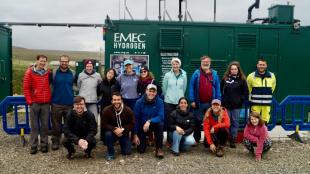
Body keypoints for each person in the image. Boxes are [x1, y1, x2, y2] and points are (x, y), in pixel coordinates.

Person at [189, 55, 221, 144]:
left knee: (210, 121)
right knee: (197, 122)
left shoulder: (214, 74)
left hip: (211, 104)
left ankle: (208, 140)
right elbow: (191, 87)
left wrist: (218, 100)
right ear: (201, 63)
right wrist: (192, 100)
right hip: (199, 103)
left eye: (207, 62)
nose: (206, 63)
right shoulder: (196, 73)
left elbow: (218, 87)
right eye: (204, 62)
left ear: (210, 63)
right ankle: (196, 139)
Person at [23, 54, 51, 154]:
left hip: (45, 103)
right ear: (37, 61)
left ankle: (44, 145)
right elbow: (26, 88)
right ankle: (33, 146)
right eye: (41, 61)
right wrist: (30, 101)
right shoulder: (29, 72)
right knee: (34, 126)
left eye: (44, 61)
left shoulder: (48, 72)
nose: (42, 63)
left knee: (45, 126)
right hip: (35, 103)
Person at [220, 61, 249, 148]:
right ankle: (225, 139)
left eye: (235, 69)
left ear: (238, 70)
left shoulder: (242, 80)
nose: (233, 70)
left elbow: (246, 92)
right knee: (226, 123)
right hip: (226, 106)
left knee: (235, 123)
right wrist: (223, 101)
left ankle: (233, 139)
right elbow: (221, 90)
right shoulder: (225, 79)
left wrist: (240, 100)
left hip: (236, 106)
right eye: (232, 69)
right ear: (229, 70)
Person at [51, 55, 76, 151]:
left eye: (66, 61)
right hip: (56, 103)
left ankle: (67, 140)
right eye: (62, 61)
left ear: (68, 62)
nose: (64, 63)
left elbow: (77, 85)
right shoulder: (54, 73)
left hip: (69, 104)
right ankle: (55, 141)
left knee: (68, 124)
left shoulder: (73, 73)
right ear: (59, 62)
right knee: (56, 124)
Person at [133, 84, 165, 159]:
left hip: (153, 124)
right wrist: (135, 134)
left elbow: (161, 116)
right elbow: (135, 119)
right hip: (142, 126)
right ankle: (145, 139)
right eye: (149, 91)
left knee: (161, 124)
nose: (151, 93)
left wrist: (149, 121)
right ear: (146, 91)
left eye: (153, 91)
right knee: (141, 150)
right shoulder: (139, 102)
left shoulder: (159, 101)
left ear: (156, 93)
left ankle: (159, 148)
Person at [101, 92, 135, 161]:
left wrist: (122, 129)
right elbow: (103, 124)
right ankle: (111, 153)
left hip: (123, 132)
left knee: (127, 152)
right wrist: (114, 129)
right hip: (112, 132)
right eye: (115, 100)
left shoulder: (128, 110)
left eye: (118, 99)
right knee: (108, 134)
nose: (116, 102)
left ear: (121, 100)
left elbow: (132, 124)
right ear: (111, 101)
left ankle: (122, 144)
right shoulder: (106, 110)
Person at [162, 57, 187, 144]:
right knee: (170, 120)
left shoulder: (184, 74)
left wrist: (180, 97)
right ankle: (169, 140)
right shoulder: (167, 75)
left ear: (179, 65)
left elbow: (184, 88)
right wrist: (168, 96)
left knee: (179, 120)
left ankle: (178, 139)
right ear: (172, 65)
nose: (175, 65)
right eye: (173, 64)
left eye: (177, 64)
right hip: (169, 101)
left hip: (179, 102)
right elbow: (164, 88)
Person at [247, 58, 276, 123]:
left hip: (266, 104)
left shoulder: (272, 76)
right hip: (255, 103)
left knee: (265, 121)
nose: (261, 66)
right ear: (257, 65)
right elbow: (248, 88)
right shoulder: (251, 76)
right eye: (260, 64)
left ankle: (263, 133)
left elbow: (273, 87)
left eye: (263, 65)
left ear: (266, 66)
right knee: (254, 120)